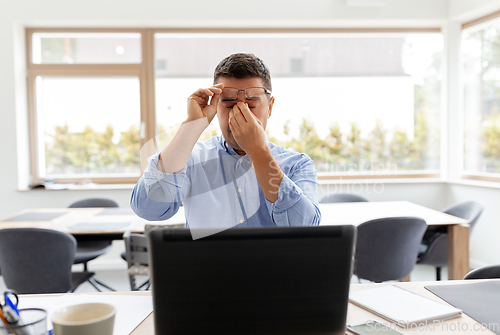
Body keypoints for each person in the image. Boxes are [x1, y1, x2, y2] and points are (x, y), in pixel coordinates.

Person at [131, 53, 320, 238]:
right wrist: (192, 126)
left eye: (252, 103)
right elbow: (148, 208)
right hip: (208, 269)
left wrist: (258, 151)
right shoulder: (191, 158)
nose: (240, 111)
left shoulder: (297, 164)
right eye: (229, 103)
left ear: (269, 107)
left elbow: (306, 228)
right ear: (216, 107)